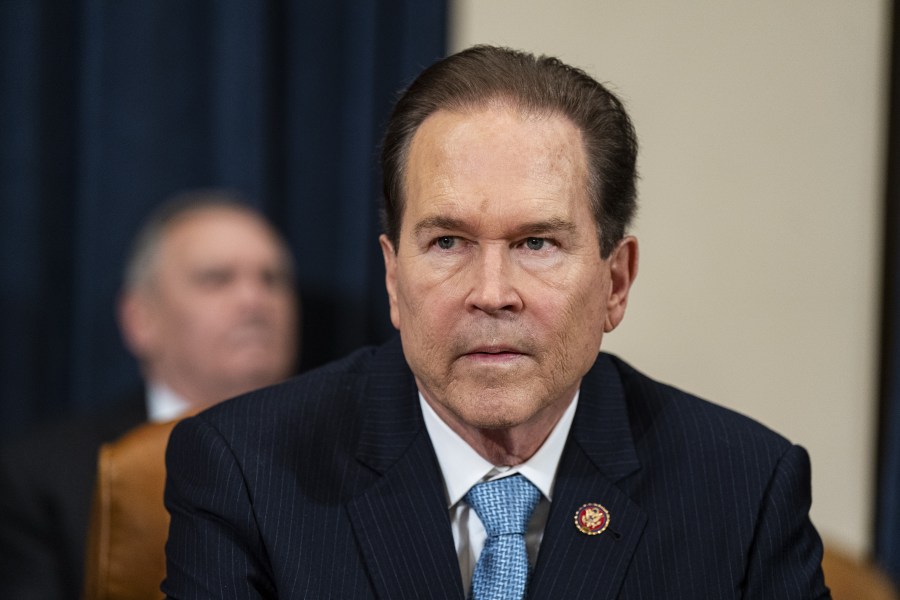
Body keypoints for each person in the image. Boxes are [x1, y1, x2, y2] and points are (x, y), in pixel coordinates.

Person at [163, 46, 829, 599]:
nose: (491, 294)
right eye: (448, 242)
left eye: (537, 243)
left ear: (616, 282)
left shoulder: (742, 490)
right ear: (393, 278)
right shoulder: (246, 471)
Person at [0, 191, 299, 599]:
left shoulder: (344, 455)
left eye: (272, 279)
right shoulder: (41, 479)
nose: (255, 300)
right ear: (140, 319)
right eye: (217, 279)